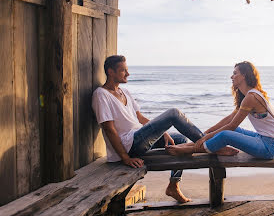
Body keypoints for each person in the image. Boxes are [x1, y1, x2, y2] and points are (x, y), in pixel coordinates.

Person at [92, 55, 238, 203]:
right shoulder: (101, 94)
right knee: (173, 113)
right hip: (128, 145)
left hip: (138, 138)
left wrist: (163, 132)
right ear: (111, 72)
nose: (128, 74)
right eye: (123, 70)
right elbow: (109, 129)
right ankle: (212, 145)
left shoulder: (125, 92)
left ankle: (173, 186)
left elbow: (140, 119)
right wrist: (125, 158)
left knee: (179, 140)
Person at [166, 61, 274, 160]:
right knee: (227, 131)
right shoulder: (249, 95)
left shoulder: (251, 97)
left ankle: (191, 149)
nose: (231, 76)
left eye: (235, 73)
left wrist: (205, 138)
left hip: (270, 148)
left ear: (244, 75)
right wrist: (207, 132)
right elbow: (229, 119)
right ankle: (191, 144)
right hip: (266, 140)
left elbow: (232, 125)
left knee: (225, 134)